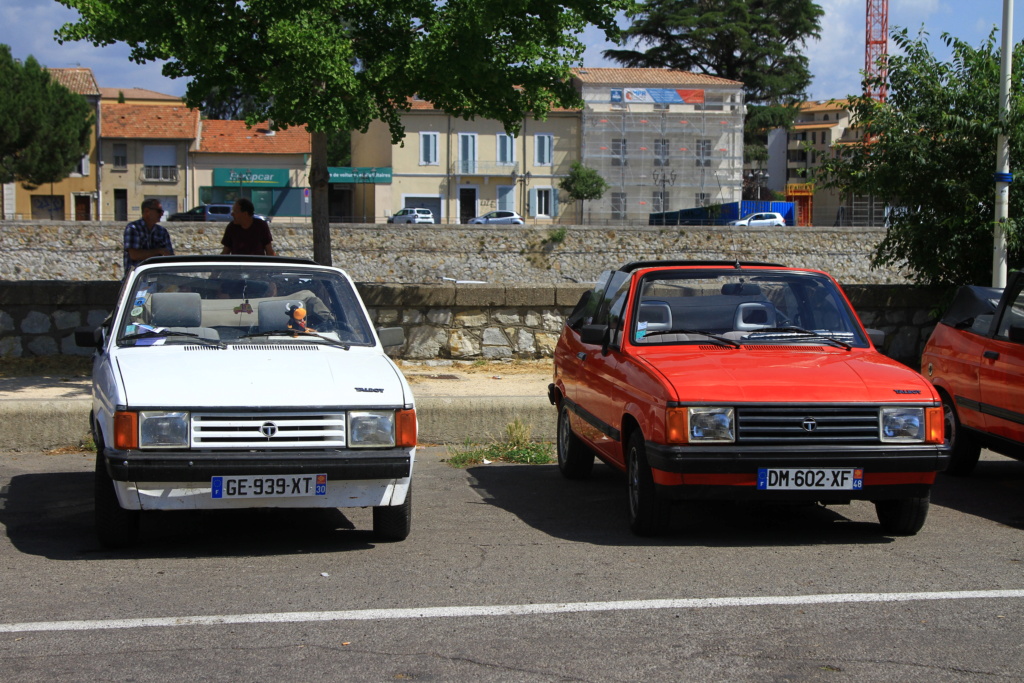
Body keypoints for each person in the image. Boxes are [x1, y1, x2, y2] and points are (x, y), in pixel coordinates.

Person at [123, 198, 174, 275]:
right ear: (147, 211)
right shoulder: (133, 228)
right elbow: (134, 255)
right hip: (137, 278)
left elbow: (169, 256)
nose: (162, 214)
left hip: (158, 278)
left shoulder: (162, 232)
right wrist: (158, 251)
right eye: (159, 211)